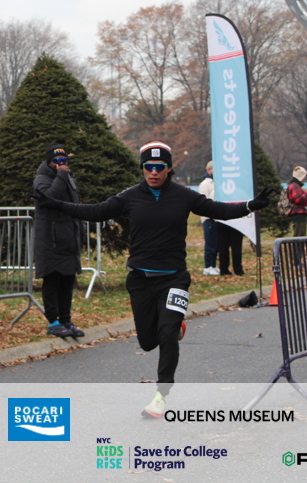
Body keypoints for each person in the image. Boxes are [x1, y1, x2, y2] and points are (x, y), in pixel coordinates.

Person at [35, 141, 273, 418]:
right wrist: (58, 204)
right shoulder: (130, 196)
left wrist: (250, 205)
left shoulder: (184, 196)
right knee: (148, 341)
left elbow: (217, 209)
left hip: (174, 279)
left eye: (159, 167)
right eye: (148, 167)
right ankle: (173, 326)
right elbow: (97, 211)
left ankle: (162, 395)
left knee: (167, 335)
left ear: (169, 168)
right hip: (140, 280)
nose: (154, 172)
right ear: (143, 169)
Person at [32, 143, 84, 339]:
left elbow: (75, 207)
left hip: (68, 239)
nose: (61, 164)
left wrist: (80, 233)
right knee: (52, 281)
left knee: (67, 282)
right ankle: (53, 322)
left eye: (64, 160)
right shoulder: (41, 180)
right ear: (48, 162)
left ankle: (66, 320)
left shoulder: (68, 179)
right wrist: (61, 175)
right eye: (56, 161)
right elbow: (50, 198)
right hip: (51, 241)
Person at [198, 161, 220, 275]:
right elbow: (204, 201)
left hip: (217, 217)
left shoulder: (218, 182)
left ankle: (214, 265)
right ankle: (208, 266)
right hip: (208, 218)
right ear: (209, 170)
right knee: (210, 243)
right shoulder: (205, 184)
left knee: (216, 243)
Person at [286, 166, 307, 237]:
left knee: (298, 235)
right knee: (300, 236)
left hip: (296, 214)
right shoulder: (295, 186)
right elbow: (298, 200)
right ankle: (298, 245)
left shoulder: (292, 185)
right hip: (299, 214)